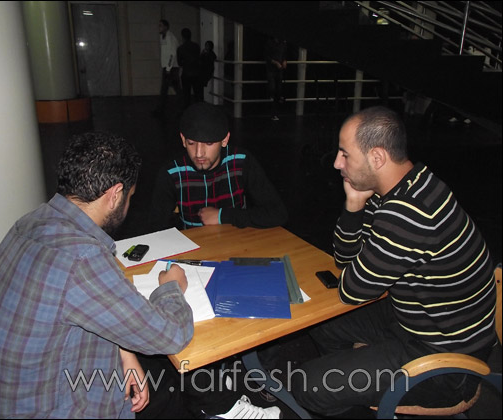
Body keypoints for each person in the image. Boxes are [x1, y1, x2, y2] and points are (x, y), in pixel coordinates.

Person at [0, 132, 194, 418]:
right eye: (129, 197)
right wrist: (171, 287)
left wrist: (124, 352)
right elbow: (170, 336)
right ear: (115, 194)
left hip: (3, 402)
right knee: (171, 389)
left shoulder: (30, 223)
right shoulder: (82, 259)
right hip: (51, 409)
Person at [291, 106, 497, 416]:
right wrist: (353, 205)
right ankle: (350, 385)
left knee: (307, 385)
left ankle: (341, 391)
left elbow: (352, 290)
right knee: (322, 325)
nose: (337, 163)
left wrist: (357, 266)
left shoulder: (406, 215)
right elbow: (345, 259)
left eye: (345, 154)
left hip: (446, 365)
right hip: (415, 322)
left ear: (377, 157)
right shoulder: (409, 184)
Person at [148, 101, 288, 232]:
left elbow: (278, 213)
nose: (199, 153)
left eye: (209, 143)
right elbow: (156, 228)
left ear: (224, 140)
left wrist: (222, 216)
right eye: (191, 143)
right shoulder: (172, 172)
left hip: (237, 241)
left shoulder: (241, 161)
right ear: (183, 140)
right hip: (194, 244)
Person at [153, 19, 182, 117]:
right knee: (167, 89)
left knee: (170, 89)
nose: (159, 27)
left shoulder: (170, 37)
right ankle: (161, 109)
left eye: (160, 25)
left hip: (172, 68)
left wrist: (168, 68)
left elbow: (172, 54)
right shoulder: (162, 37)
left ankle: (181, 108)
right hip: (167, 67)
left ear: (166, 27)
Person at [177, 28, 202, 108]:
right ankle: (198, 110)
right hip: (196, 73)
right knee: (197, 94)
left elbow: (179, 63)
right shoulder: (196, 46)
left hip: (186, 73)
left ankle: (187, 110)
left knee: (186, 94)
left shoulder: (180, 48)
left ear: (182, 37)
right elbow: (198, 58)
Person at [264, 36, 287, 121]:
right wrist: (275, 62)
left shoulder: (283, 43)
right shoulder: (269, 43)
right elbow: (266, 56)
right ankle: (272, 110)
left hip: (279, 70)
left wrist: (284, 60)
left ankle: (276, 111)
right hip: (271, 69)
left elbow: (284, 54)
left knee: (279, 89)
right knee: (272, 88)